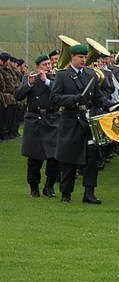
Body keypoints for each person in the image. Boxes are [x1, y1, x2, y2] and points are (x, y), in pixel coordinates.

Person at [50, 43, 116, 204]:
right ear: (72, 57)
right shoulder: (62, 76)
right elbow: (54, 98)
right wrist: (74, 99)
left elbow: (98, 96)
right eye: (80, 57)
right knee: (69, 159)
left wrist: (110, 105)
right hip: (70, 120)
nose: (83, 60)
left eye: (85, 57)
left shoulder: (91, 74)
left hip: (87, 121)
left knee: (91, 158)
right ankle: (66, 193)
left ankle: (89, 193)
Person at [14, 54, 60, 197]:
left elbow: (60, 92)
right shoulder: (30, 78)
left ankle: (49, 186)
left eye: (49, 64)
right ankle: (34, 187)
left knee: (54, 157)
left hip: (52, 119)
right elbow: (18, 95)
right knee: (34, 157)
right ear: (38, 66)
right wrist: (29, 84)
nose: (48, 66)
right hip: (35, 119)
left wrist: (46, 81)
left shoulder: (55, 79)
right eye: (45, 64)